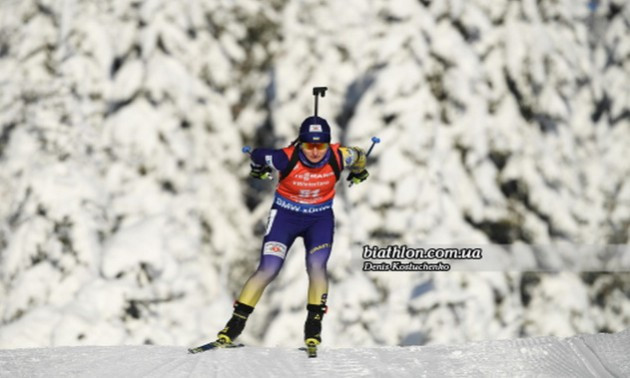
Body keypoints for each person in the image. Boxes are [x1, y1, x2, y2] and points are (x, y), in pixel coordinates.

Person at [216, 115, 369, 349]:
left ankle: (313, 327)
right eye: (309, 145)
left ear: (329, 144)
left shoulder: (339, 155)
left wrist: (358, 171)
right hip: (284, 218)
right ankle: (235, 325)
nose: (315, 152)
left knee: (316, 266)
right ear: (301, 143)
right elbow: (257, 154)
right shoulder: (284, 158)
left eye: (321, 145)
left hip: (319, 220)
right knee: (269, 268)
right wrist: (257, 168)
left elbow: (359, 155)